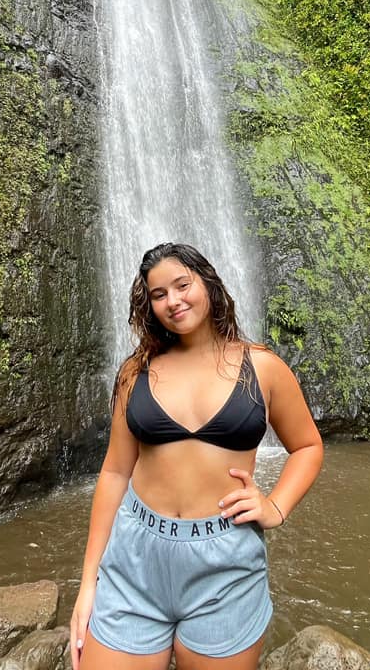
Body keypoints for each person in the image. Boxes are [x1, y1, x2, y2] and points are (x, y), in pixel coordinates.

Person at [71, 242, 323, 670]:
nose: (173, 301)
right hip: (135, 556)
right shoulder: (137, 371)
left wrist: (276, 506)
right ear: (149, 306)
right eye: (158, 294)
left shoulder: (261, 367)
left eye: (182, 285)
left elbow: (308, 446)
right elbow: (115, 472)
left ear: (207, 283)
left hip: (224, 558)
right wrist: (88, 583)